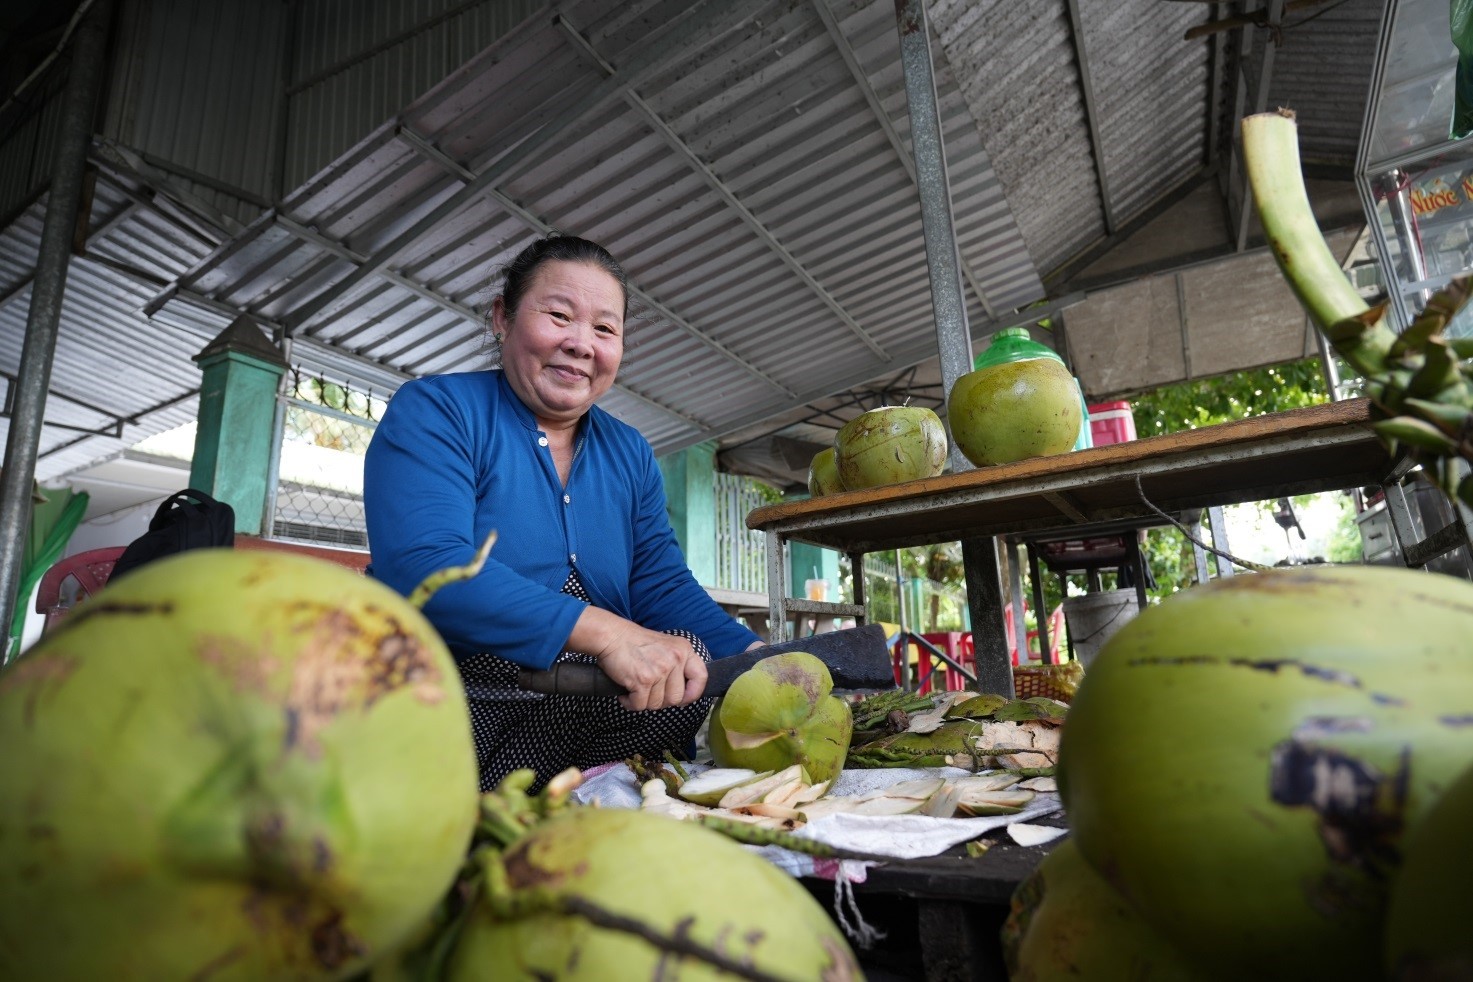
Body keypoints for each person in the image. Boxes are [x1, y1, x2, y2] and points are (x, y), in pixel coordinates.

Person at [363, 234, 763, 792]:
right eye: (559, 315)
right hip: (455, 698)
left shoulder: (629, 452)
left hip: (582, 701)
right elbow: (428, 564)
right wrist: (607, 635)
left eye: (604, 329)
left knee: (686, 658)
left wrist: (755, 656)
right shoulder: (438, 411)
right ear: (502, 317)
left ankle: (594, 805)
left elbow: (660, 582)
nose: (581, 344)